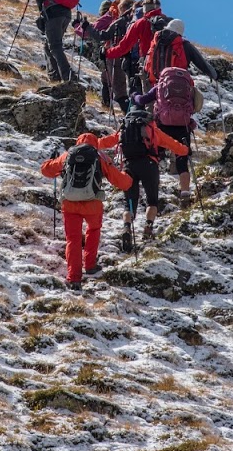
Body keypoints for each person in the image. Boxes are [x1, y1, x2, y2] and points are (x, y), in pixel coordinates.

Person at [133, 18, 217, 208]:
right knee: (182, 157)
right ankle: (185, 193)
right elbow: (201, 64)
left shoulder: (157, 42)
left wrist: (135, 97)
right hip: (182, 122)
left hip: (161, 117)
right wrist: (213, 74)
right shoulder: (184, 46)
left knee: (155, 154)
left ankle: (150, 191)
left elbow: (143, 99)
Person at [40, 133, 133, 290]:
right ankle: (90, 265)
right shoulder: (100, 157)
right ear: (95, 143)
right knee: (93, 230)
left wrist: (50, 160)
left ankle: (74, 278)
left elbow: (46, 170)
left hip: (69, 204)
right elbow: (123, 183)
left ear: (78, 142)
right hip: (92, 204)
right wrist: (129, 176)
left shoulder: (67, 155)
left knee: (73, 239)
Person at [98, 111, 188, 248]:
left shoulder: (124, 130)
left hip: (129, 166)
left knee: (129, 203)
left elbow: (105, 142)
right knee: (152, 200)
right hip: (149, 165)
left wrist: (87, 143)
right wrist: (185, 150)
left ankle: (127, 227)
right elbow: (172, 144)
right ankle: (148, 227)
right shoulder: (152, 129)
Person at [0, 0, 77, 83]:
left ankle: (69, 77)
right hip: (65, 14)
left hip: (54, 14)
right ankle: (55, 77)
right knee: (48, 46)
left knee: (55, 47)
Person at [77, 0, 136, 113]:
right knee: (115, 81)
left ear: (122, 8)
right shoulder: (137, 21)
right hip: (134, 58)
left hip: (115, 55)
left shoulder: (119, 21)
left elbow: (101, 35)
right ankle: (110, 105)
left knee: (119, 91)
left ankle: (129, 117)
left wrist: (86, 27)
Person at [105, 0, 166, 94]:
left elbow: (123, 47)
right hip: (166, 65)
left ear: (144, 8)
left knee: (140, 95)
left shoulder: (140, 23)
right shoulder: (168, 22)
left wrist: (107, 53)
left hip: (147, 63)